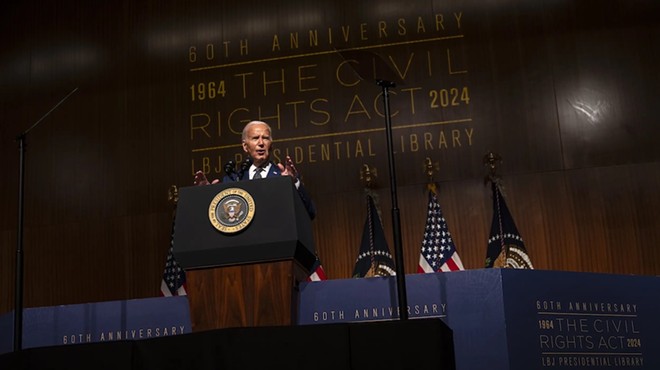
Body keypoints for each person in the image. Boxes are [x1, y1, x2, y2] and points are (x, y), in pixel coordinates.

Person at [194, 120, 316, 219]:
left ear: (271, 144)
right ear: (245, 146)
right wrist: (206, 195)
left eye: (266, 138)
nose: (261, 143)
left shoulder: (284, 176)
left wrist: (294, 183)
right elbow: (222, 217)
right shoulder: (233, 179)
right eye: (255, 138)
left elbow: (310, 212)